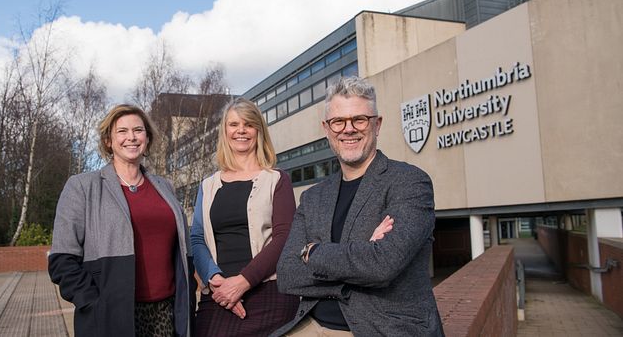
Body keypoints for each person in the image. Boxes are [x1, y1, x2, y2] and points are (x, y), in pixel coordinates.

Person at [273, 76, 444, 336]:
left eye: (359, 120)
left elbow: (382, 265)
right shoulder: (313, 197)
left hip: (382, 327)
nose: (348, 129)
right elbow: (287, 274)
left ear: (377, 124)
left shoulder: (409, 182)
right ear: (327, 128)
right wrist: (361, 257)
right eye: (338, 121)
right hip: (313, 324)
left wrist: (314, 252)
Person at [48, 104, 193, 337]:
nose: (131, 137)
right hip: (111, 316)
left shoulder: (164, 187)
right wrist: (94, 304)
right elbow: (62, 260)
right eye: (122, 131)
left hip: (166, 313)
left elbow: (183, 251)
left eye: (138, 130)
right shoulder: (82, 187)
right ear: (108, 140)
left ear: (147, 137)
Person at [191, 97, 299, 336]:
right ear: (225, 131)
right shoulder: (207, 185)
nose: (241, 130)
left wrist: (242, 282)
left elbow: (284, 237)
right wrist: (214, 279)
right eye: (234, 124)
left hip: (269, 293)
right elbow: (197, 238)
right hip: (218, 296)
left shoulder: (277, 179)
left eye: (248, 124)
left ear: (258, 131)